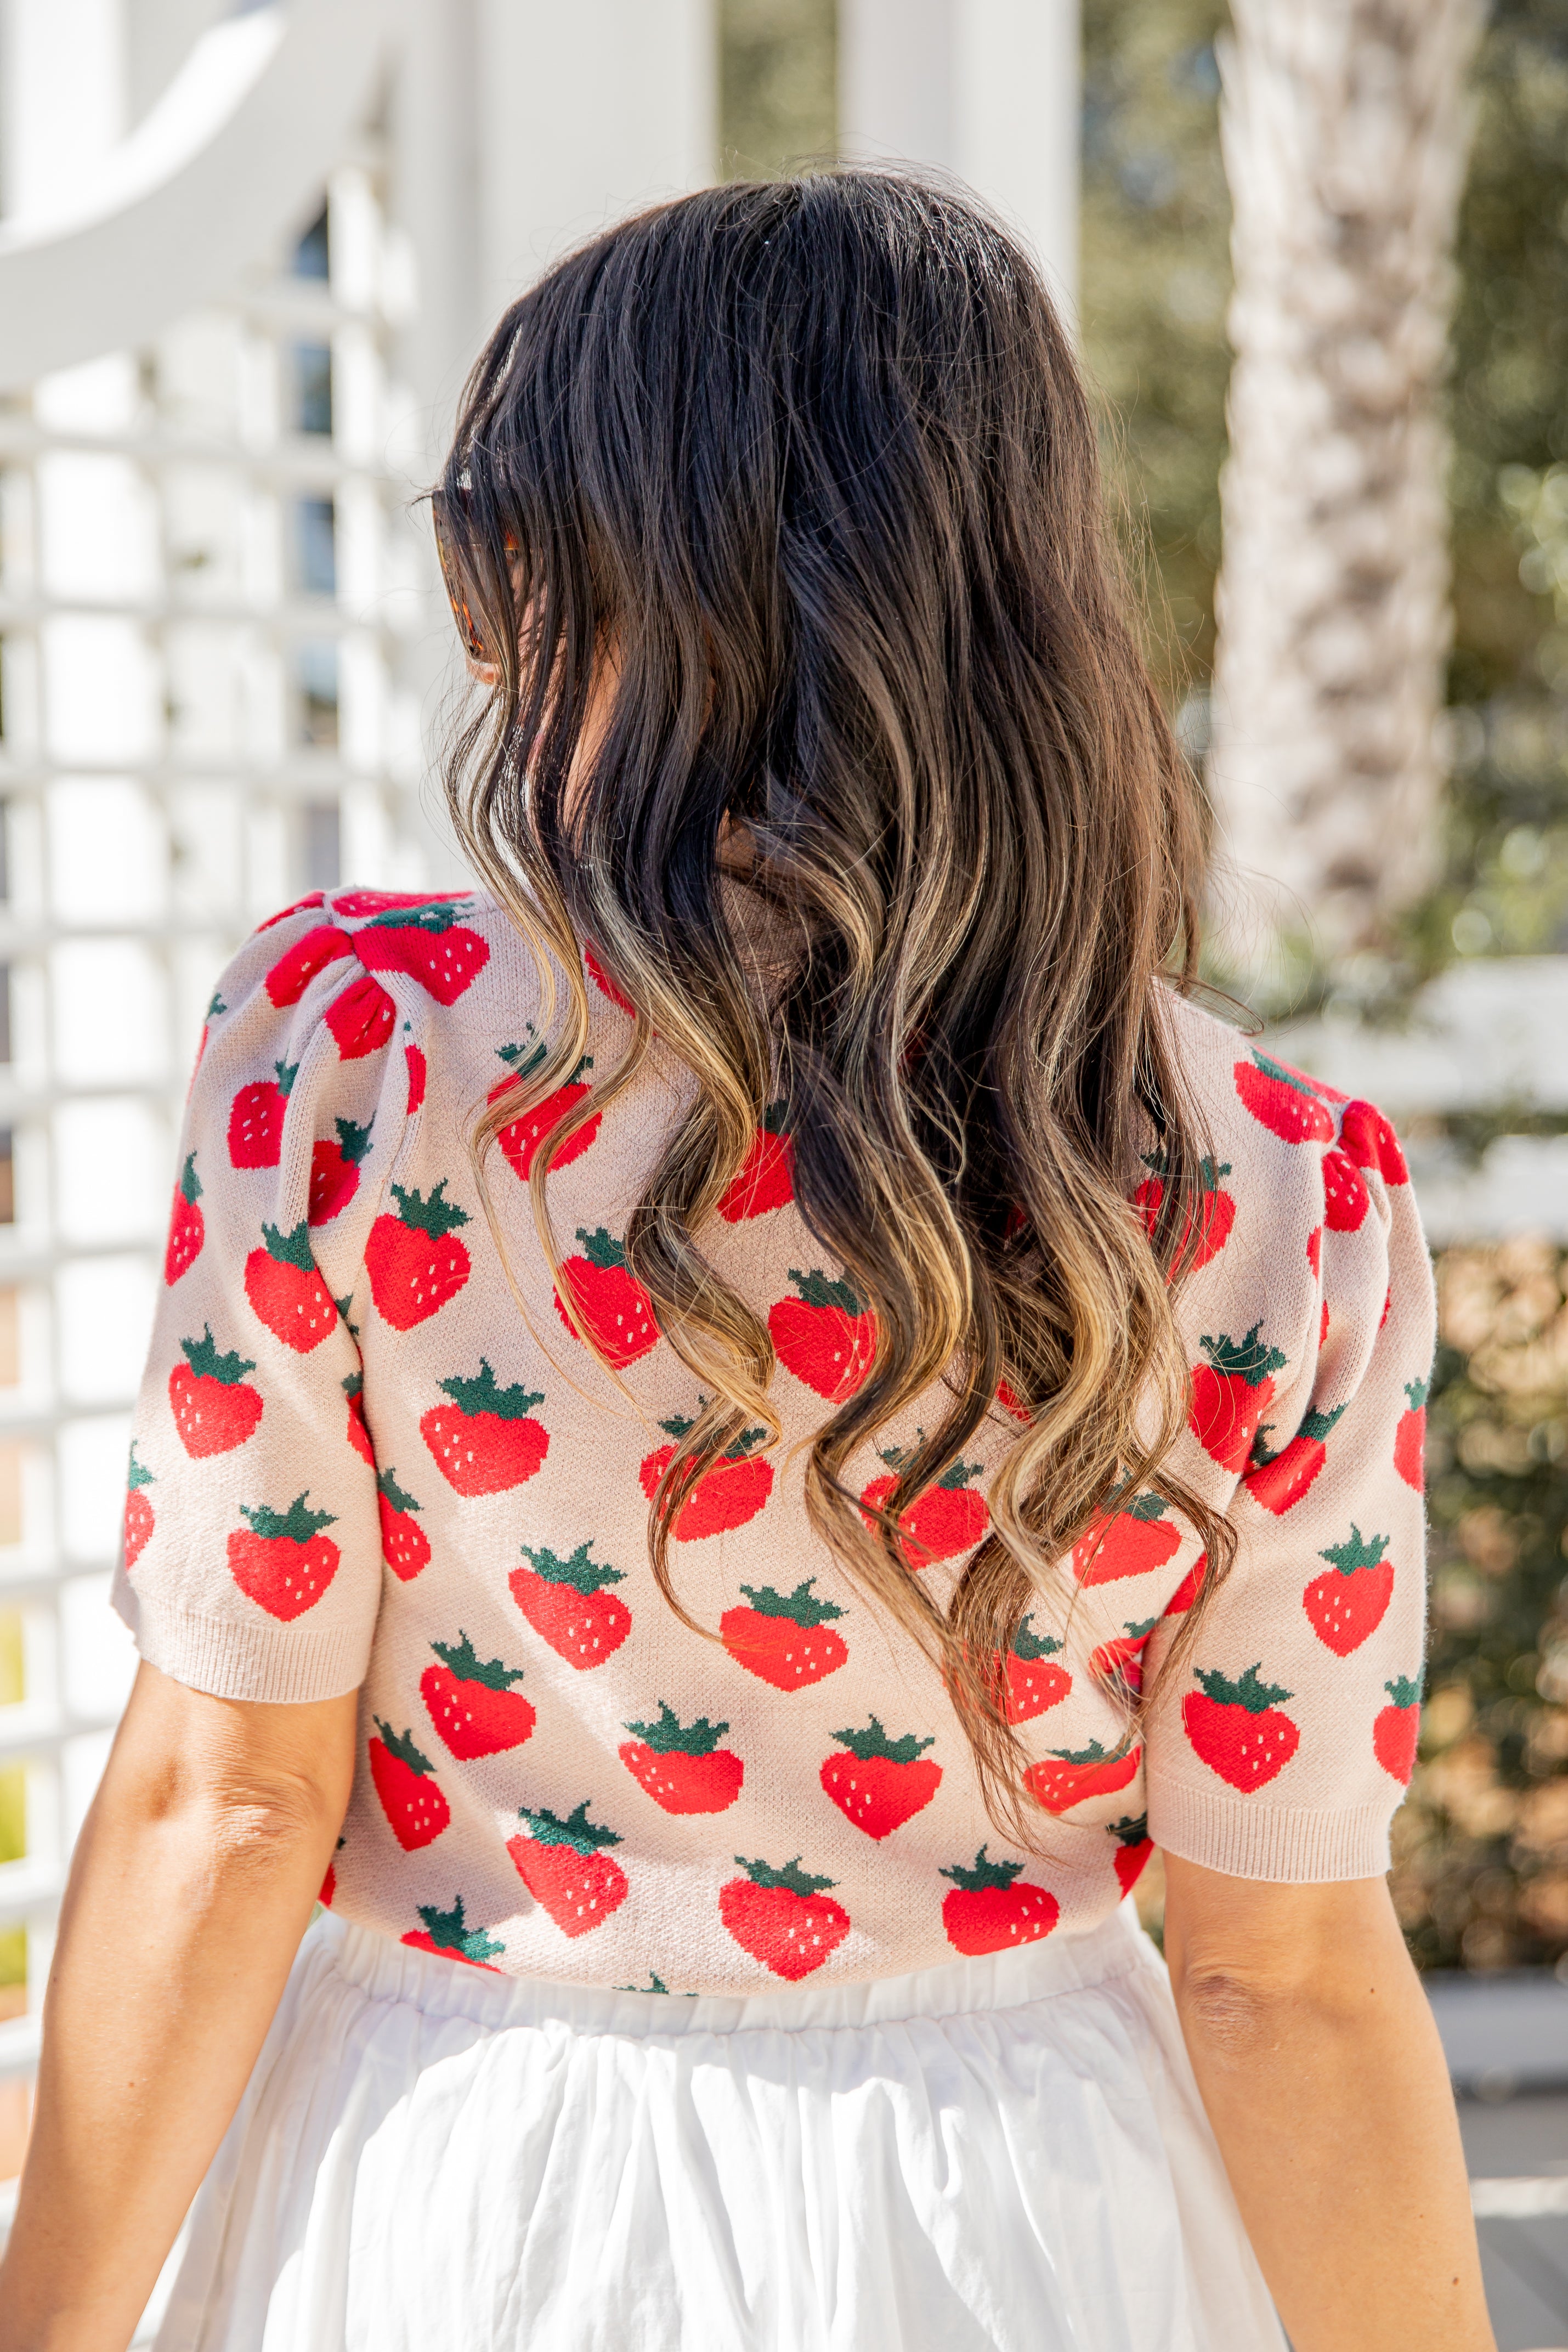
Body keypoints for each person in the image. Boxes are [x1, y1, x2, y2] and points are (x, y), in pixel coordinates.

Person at [0, 172, 1491, 2352]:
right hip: (1024, 2213)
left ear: (602, 589)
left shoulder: (351, 1059)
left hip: (456, 2185)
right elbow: (1281, 1973)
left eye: (501, 561)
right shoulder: (1278, 1187)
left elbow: (227, 1802)